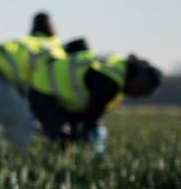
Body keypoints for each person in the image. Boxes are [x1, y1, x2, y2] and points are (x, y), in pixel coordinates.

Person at [29, 49, 162, 155]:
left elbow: (89, 114)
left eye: (143, 94)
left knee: (69, 136)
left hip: (58, 94)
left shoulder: (119, 72)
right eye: (140, 90)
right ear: (137, 79)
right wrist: (94, 137)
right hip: (44, 89)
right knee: (61, 137)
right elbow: (91, 116)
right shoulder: (110, 82)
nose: (137, 95)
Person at [0, 12, 62, 153]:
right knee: (21, 129)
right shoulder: (53, 50)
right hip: (1, 80)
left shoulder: (24, 42)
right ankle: (22, 161)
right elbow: (46, 88)